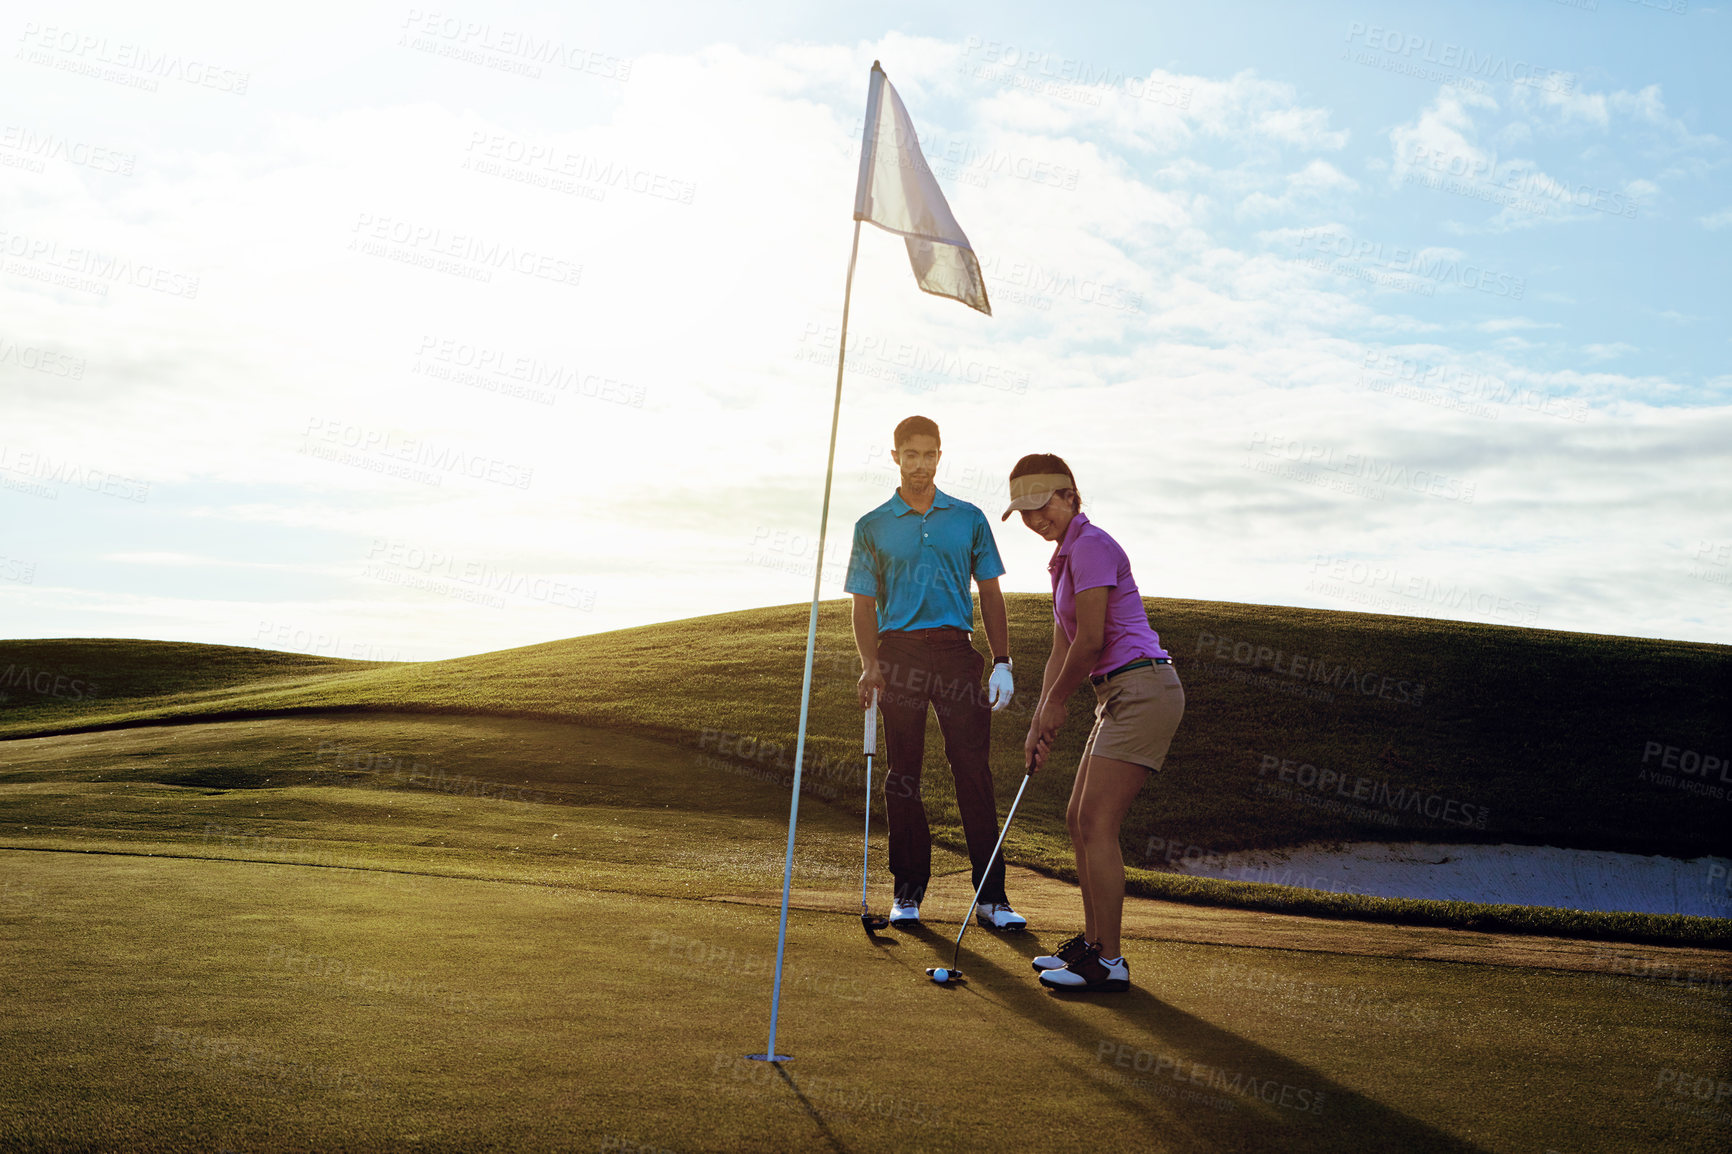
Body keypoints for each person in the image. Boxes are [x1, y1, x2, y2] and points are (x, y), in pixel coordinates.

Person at [1004, 453, 1184, 992]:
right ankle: (1091, 944)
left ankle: (1109, 960)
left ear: (1069, 497)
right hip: (1120, 693)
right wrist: (1041, 711)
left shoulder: (1094, 546)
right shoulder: (1065, 559)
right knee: (1077, 818)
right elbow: (1064, 642)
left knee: (1098, 824)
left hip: (1144, 688)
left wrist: (1059, 704)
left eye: (1042, 506)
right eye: (1025, 512)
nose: (1036, 520)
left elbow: (1093, 640)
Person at [845, 415, 1026, 931]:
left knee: (973, 772)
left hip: (955, 652)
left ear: (940, 457)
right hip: (898, 654)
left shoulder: (967, 518)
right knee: (903, 774)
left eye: (929, 455)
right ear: (896, 456)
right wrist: (870, 666)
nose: (919, 464)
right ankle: (907, 891)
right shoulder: (871, 525)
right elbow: (863, 604)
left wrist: (1003, 661)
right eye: (910, 454)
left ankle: (992, 898)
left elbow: (990, 593)